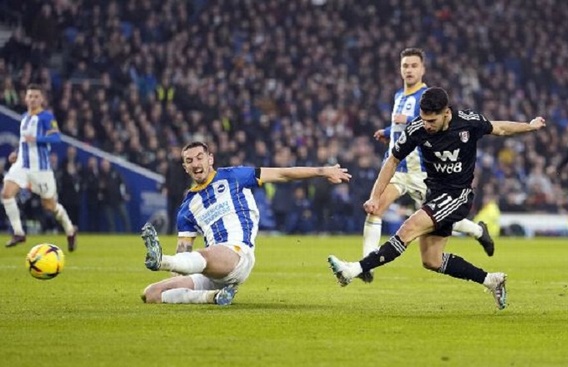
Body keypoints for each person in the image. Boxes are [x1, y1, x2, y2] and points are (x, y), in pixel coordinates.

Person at [328, 87, 546, 310]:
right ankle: (492, 280)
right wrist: (375, 196)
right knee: (431, 260)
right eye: (424, 119)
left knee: (408, 229)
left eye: (432, 121)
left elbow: (499, 128)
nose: (427, 125)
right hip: (434, 193)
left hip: (457, 194)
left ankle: (352, 270)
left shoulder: (468, 122)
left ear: (447, 113)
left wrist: (529, 126)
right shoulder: (417, 128)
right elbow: (392, 160)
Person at [139, 141, 351, 305]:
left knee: (205, 253)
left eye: (199, 157)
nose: (195, 164)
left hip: (237, 255)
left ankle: (160, 260)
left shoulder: (235, 176)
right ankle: (213, 297)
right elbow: (182, 257)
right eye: (189, 161)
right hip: (211, 270)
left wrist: (323, 171)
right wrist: (176, 281)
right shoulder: (186, 208)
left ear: (210, 159)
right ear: (185, 167)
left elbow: (282, 173)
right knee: (151, 294)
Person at [361, 48, 494, 283]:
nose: (409, 70)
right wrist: (388, 131)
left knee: (438, 217)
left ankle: (478, 231)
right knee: (377, 206)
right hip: (400, 169)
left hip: (423, 171)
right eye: (405, 66)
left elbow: (426, 127)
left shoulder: (427, 98)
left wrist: (405, 123)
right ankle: (366, 264)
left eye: (413, 65)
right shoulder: (398, 97)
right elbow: (408, 132)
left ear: (423, 69)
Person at [2, 84, 77, 250]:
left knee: (50, 206)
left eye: (36, 96)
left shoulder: (46, 117)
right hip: (22, 165)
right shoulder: (24, 117)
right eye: (30, 96)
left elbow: (57, 138)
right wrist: (16, 152)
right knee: (6, 194)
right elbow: (24, 140)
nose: (33, 99)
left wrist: (37, 139)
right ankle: (19, 232)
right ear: (25, 98)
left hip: (40, 168)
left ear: (41, 99)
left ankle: (70, 230)